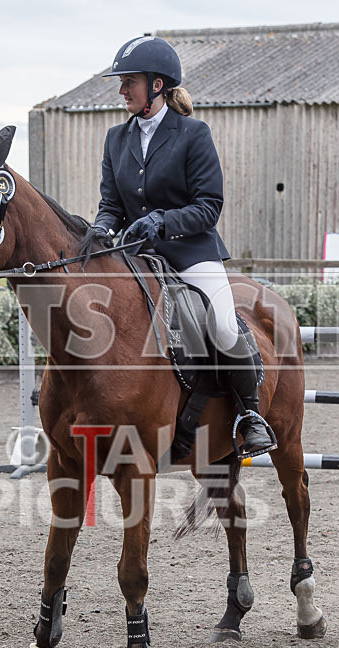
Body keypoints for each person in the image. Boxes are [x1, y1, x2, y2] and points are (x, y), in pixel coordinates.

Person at [93, 36, 276, 458]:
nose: (122, 90)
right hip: (137, 256)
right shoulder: (115, 139)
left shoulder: (193, 134)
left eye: (130, 82)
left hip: (190, 253)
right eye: (122, 83)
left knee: (225, 325)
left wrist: (162, 221)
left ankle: (250, 415)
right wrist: (101, 231)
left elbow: (209, 206)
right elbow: (110, 205)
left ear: (157, 85)